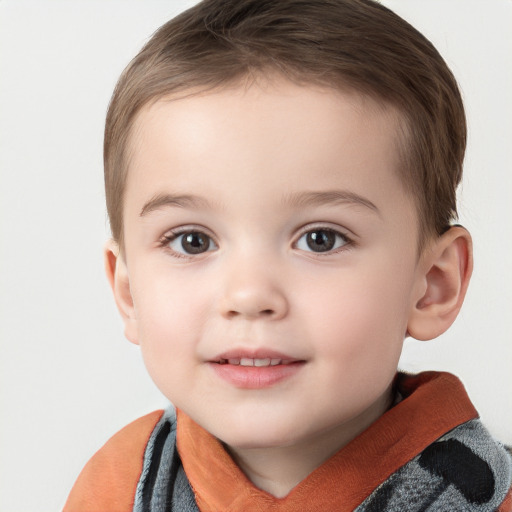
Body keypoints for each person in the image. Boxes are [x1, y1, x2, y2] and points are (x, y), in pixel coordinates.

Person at [63, 0, 512, 510]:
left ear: (432, 284)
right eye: (193, 241)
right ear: (128, 292)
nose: (249, 295)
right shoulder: (119, 486)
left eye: (321, 238)